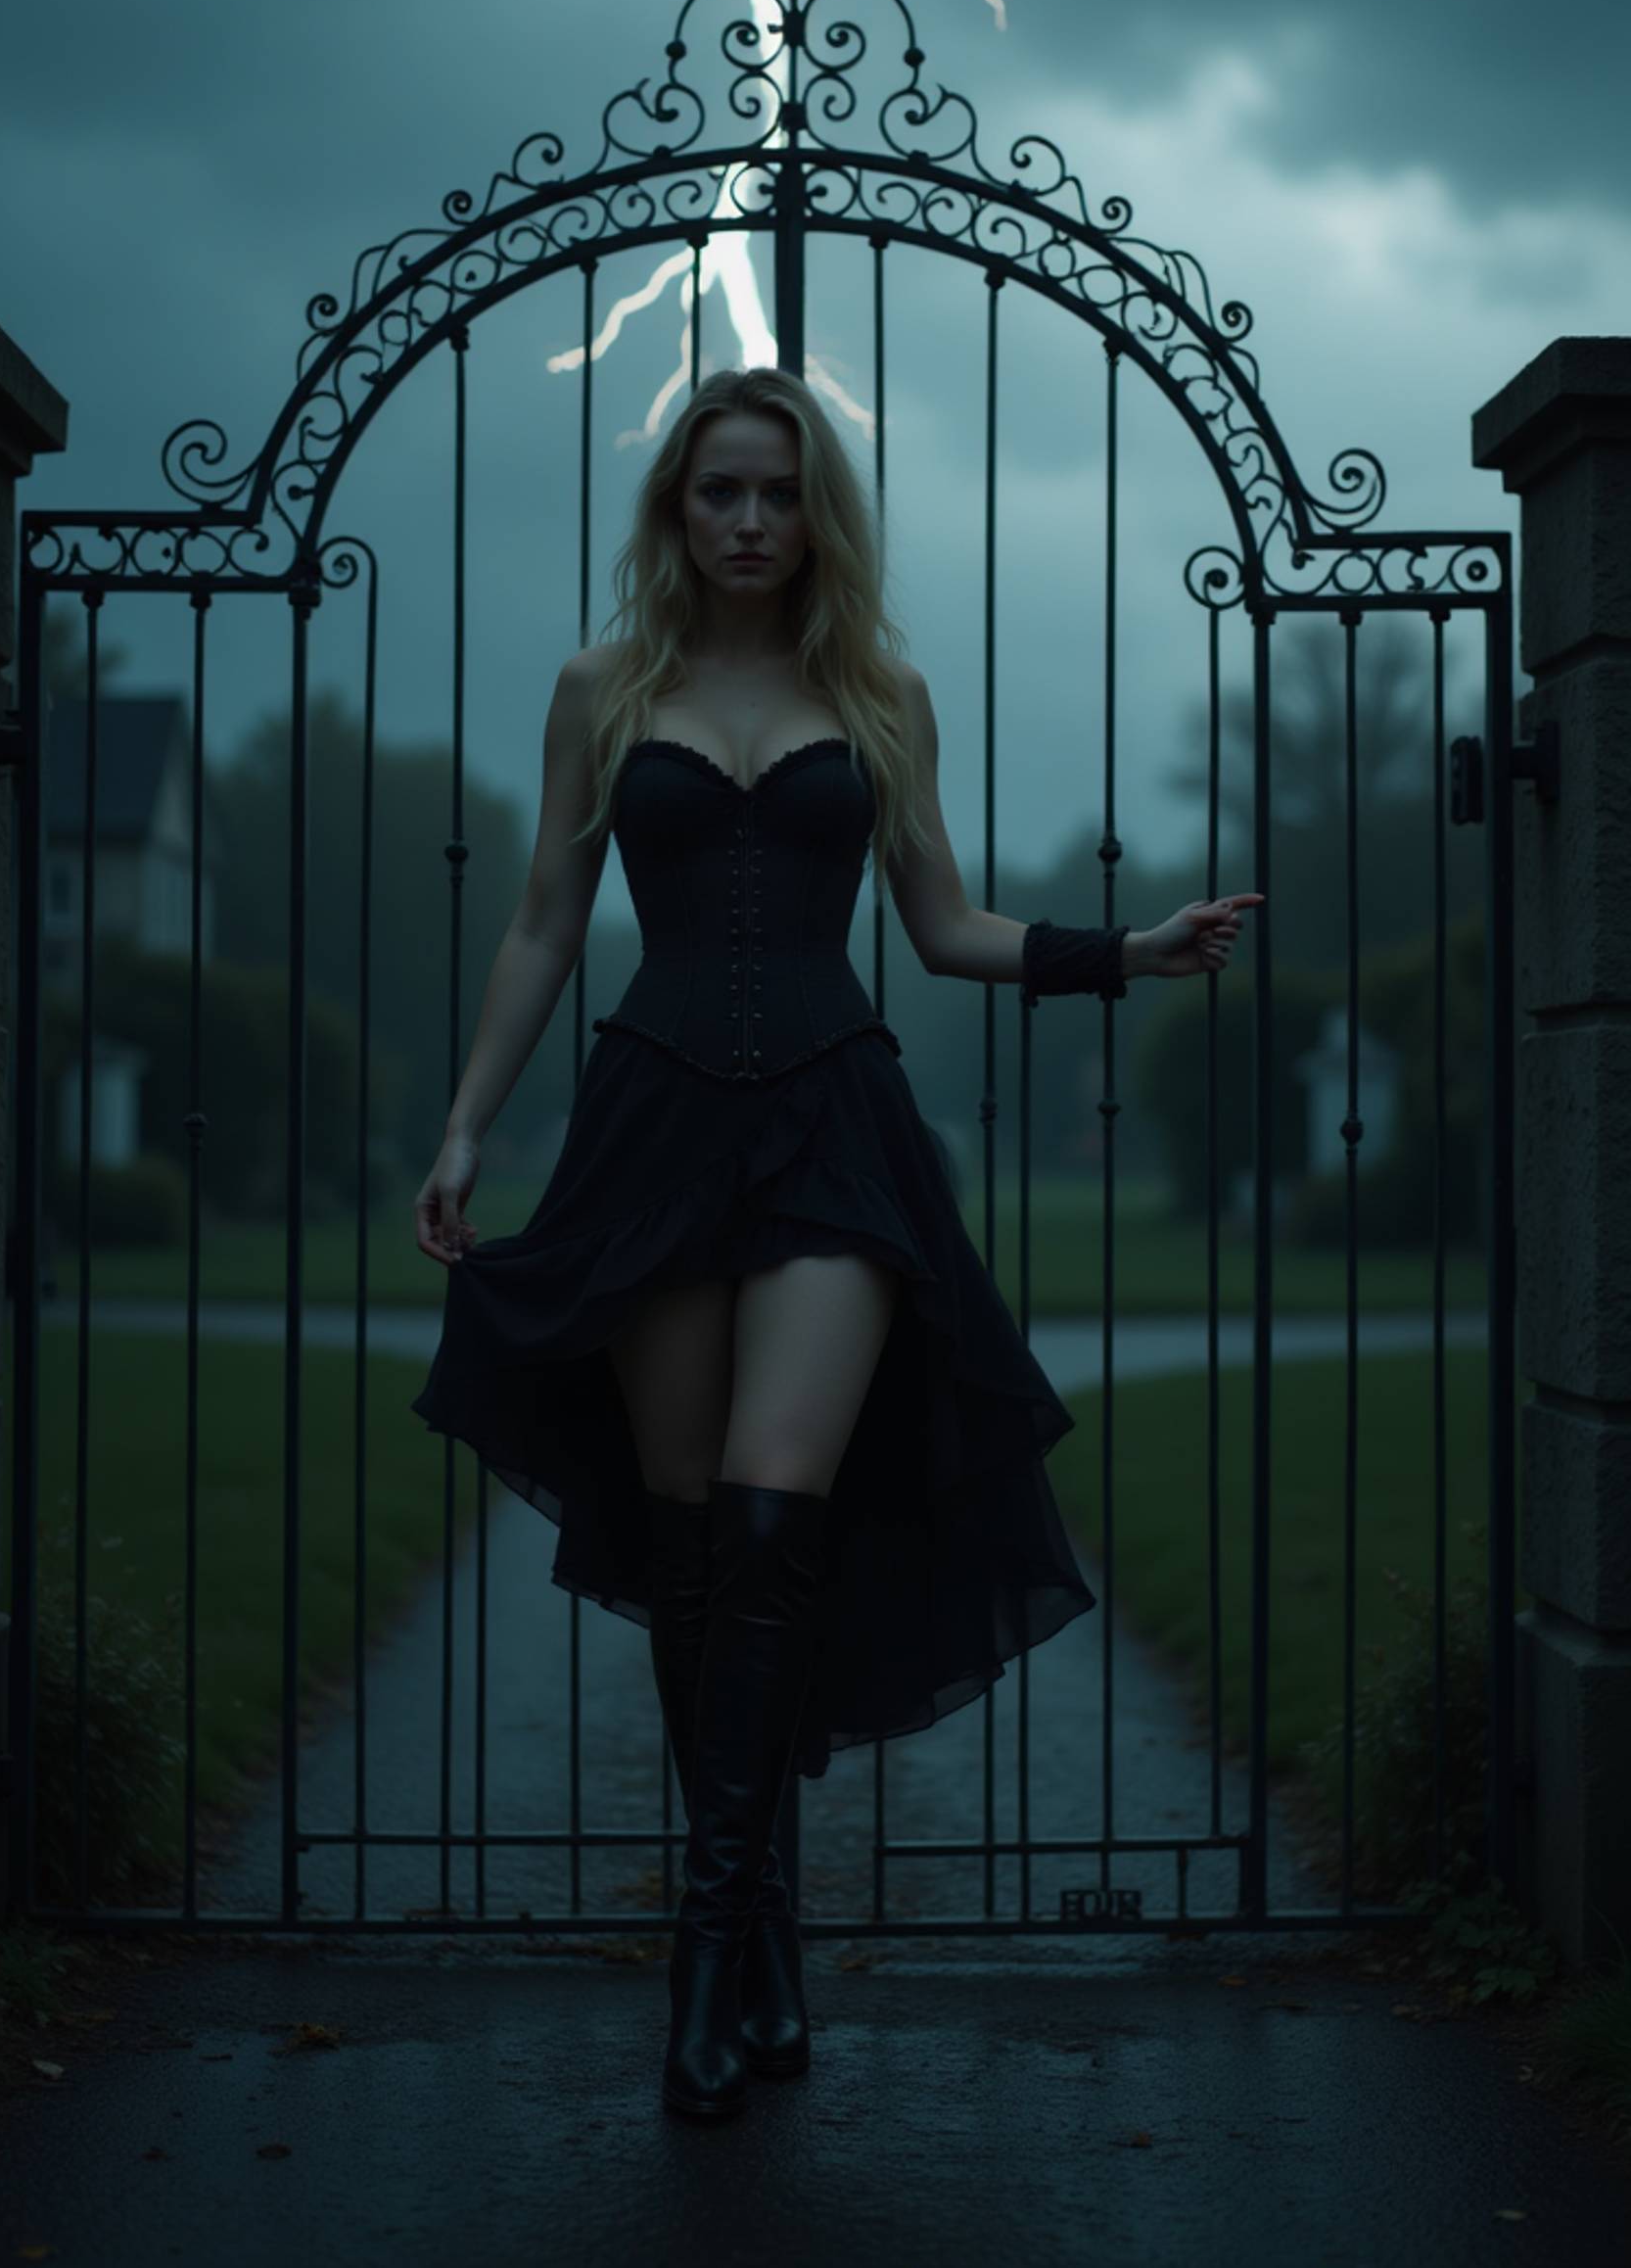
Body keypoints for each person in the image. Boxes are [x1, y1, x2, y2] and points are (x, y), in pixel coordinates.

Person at [408, 366, 1261, 2121]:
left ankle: (707, 1957)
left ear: (817, 518)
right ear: (675, 507)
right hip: (652, 1129)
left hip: (835, 1134)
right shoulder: (602, 687)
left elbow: (940, 927)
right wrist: (468, 1125)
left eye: (775, 496)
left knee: (777, 1519)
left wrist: (1133, 951)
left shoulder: (877, 694)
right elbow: (546, 925)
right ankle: (768, 1928)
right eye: (716, 491)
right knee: (695, 1547)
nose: (744, 521)